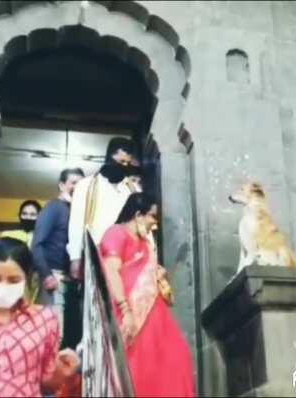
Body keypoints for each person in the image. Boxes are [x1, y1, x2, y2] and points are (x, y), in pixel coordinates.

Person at [99, 193, 195, 397]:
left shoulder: (145, 244)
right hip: (130, 313)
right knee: (139, 369)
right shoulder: (115, 233)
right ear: (137, 214)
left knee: (178, 359)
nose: (155, 224)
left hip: (156, 316)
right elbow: (110, 271)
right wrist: (126, 310)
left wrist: (156, 273)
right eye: (153, 217)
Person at [0, 237, 80, 397]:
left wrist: (63, 370)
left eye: (13, 280)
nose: (4, 286)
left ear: (26, 280)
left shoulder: (44, 319)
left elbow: (47, 383)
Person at [67, 137, 138, 280]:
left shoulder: (132, 189)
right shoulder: (85, 186)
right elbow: (76, 222)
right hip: (96, 254)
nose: (124, 166)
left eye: (128, 163)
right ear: (109, 158)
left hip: (127, 257)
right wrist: (75, 258)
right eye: (121, 162)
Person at [31, 168, 84, 342]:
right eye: (73, 183)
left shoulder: (77, 211)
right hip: (54, 277)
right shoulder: (54, 207)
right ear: (62, 185)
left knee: (68, 335)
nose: (78, 187)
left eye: (81, 183)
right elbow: (36, 244)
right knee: (54, 333)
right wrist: (46, 275)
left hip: (71, 281)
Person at [1, 200, 42, 303]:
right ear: (19, 215)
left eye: (33, 214)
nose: (28, 217)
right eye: (24, 214)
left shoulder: (42, 238)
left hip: (36, 280)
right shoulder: (7, 235)